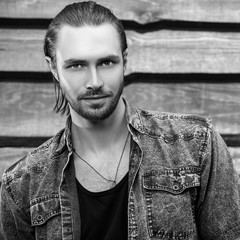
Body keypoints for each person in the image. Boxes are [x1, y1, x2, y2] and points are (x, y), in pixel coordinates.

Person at [0, 1, 240, 239]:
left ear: (124, 61)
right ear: (53, 68)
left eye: (106, 62)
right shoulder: (22, 185)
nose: (94, 81)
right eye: (76, 65)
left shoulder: (197, 146)